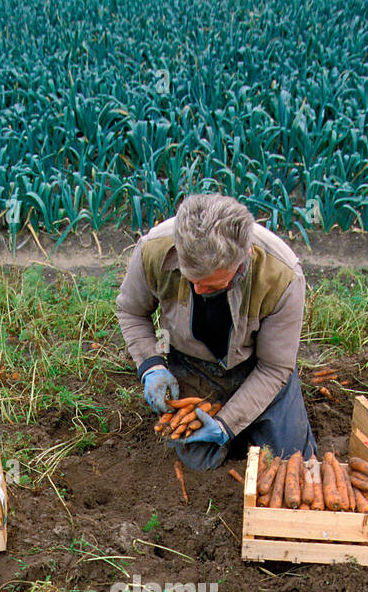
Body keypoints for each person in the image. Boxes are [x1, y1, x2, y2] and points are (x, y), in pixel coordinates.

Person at [116, 193, 316, 471]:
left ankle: (251, 427)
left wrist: (227, 423)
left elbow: (273, 368)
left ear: (242, 260)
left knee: (290, 463)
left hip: (257, 370)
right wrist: (151, 365)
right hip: (192, 363)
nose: (198, 291)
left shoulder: (282, 275)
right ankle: (236, 432)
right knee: (196, 462)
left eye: (211, 286)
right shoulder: (155, 249)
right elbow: (131, 312)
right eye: (191, 280)